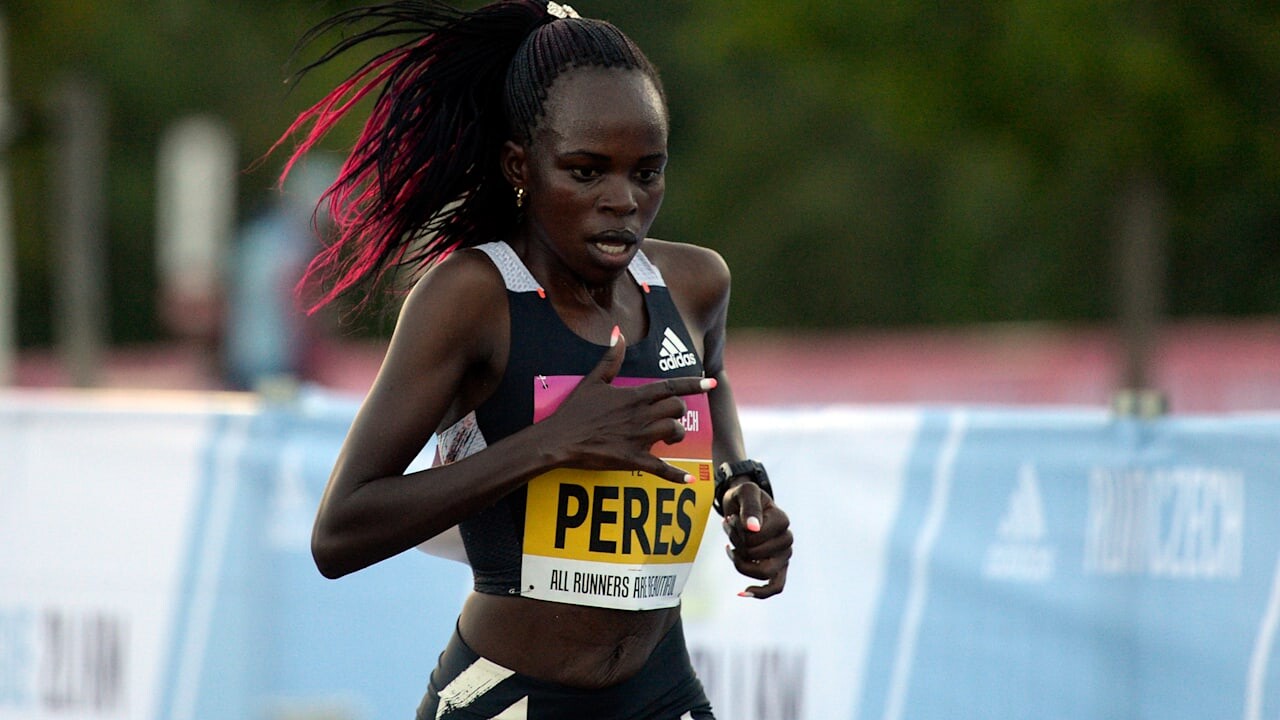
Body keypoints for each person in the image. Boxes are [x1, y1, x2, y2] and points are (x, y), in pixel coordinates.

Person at [277, 2, 792, 717]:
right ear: (520, 165)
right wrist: (552, 443)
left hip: (660, 688)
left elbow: (713, 380)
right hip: (510, 694)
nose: (623, 202)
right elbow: (339, 533)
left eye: (647, 173)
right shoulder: (472, 298)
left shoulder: (696, 283)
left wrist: (739, 485)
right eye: (586, 172)